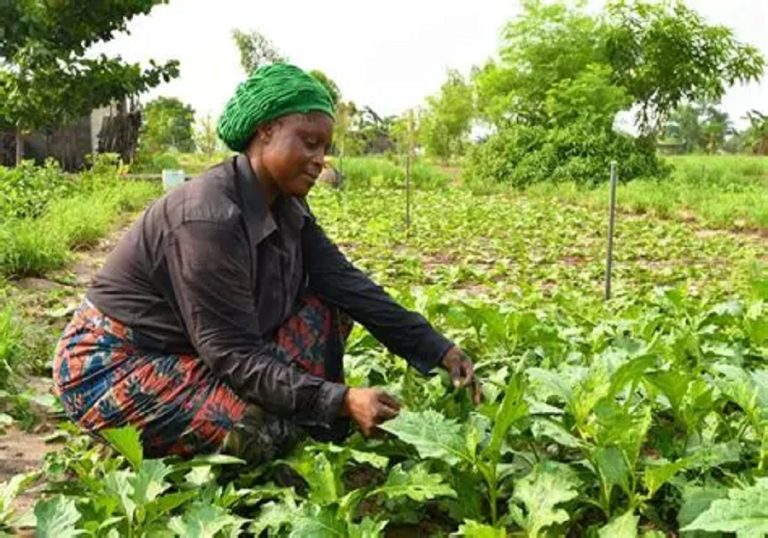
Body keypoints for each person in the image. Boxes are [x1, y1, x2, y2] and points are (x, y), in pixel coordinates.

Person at [52, 63, 480, 463]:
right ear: (266, 131)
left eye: (325, 147)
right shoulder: (206, 219)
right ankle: (133, 437)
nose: (320, 160)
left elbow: (346, 283)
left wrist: (438, 349)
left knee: (331, 311)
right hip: (118, 363)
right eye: (309, 143)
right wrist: (340, 400)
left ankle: (247, 410)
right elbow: (233, 354)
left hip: (196, 349)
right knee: (261, 431)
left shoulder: (287, 205)